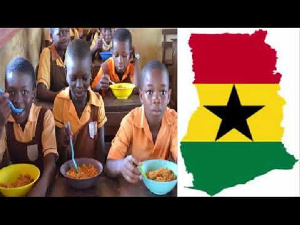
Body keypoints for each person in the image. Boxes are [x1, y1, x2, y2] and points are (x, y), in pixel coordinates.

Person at [104, 60, 177, 183]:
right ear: (141, 96)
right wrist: (122, 166)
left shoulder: (174, 121)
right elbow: (109, 165)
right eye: (149, 92)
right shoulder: (130, 121)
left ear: (169, 96)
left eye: (163, 92)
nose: (156, 99)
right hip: (133, 186)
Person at [0, 57, 58, 197]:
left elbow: (51, 163)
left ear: (34, 93)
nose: (18, 100)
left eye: (24, 92)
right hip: (14, 189)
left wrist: (41, 187)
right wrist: (0, 124)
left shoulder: (45, 116)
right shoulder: (4, 120)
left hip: (43, 185)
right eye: (12, 92)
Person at [53, 39, 107, 166]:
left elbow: (100, 150)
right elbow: (60, 157)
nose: (79, 85)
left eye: (84, 78)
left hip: (93, 169)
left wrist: (98, 175)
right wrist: (63, 144)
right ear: (66, 72)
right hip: (68, 171)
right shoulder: (60, 102)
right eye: (73, 78)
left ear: (91, 73)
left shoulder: (98, 103)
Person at [91, 28, 141, 93]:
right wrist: (99, 86)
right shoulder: (106, 67)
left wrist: (136, 58)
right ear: (112, 53)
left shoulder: (132, 66)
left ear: (130, 54)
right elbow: (92, 90)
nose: (120, 60)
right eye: (116, 55)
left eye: (124, 55)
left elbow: (138, 89)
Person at [37, 28, 70, 102]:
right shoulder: (47, 53)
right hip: (55, 107)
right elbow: (41, 91)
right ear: (51, 37)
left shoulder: (71, 52)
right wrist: (60, 96)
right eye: (60, 33)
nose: (64, 37)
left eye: (67, 32)